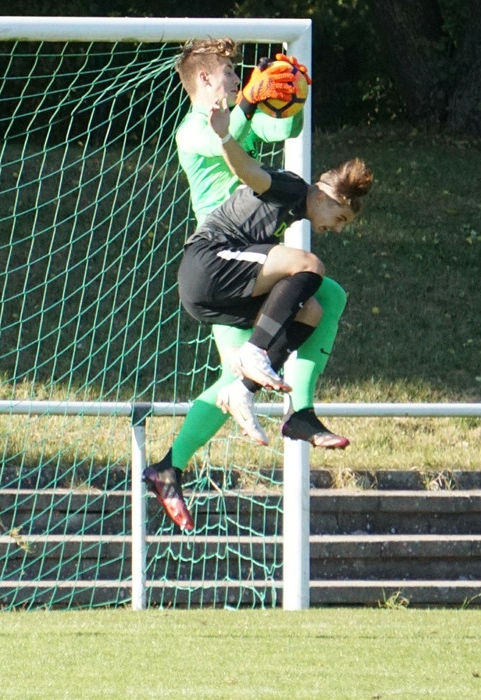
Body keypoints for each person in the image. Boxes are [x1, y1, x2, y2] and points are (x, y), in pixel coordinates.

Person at [143, 39, 356, 531]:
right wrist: (248, 102)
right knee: (238, 376)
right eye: (229, 73)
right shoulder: (191, 129)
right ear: (204, 78)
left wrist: (294, 93)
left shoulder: (239, 115)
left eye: (240, 76)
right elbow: (228, 138)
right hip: (222, 260)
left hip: (254, 258)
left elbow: (283, 127)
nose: (238, 80)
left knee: (323, 301)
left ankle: (177, 464)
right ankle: (176, 462)